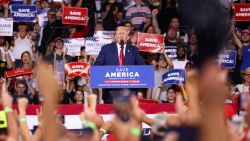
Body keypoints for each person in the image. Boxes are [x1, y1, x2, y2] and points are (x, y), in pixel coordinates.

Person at [94, 26, 145, 103]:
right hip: (110, 92)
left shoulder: (134, 50)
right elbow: (97, 67)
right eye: (119, 33)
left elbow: (142, 68)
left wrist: (140, 90)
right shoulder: (106, 49)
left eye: (123, 34)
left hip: (129, 92)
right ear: (115, 36)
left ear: (128, 37)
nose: (121, 35)